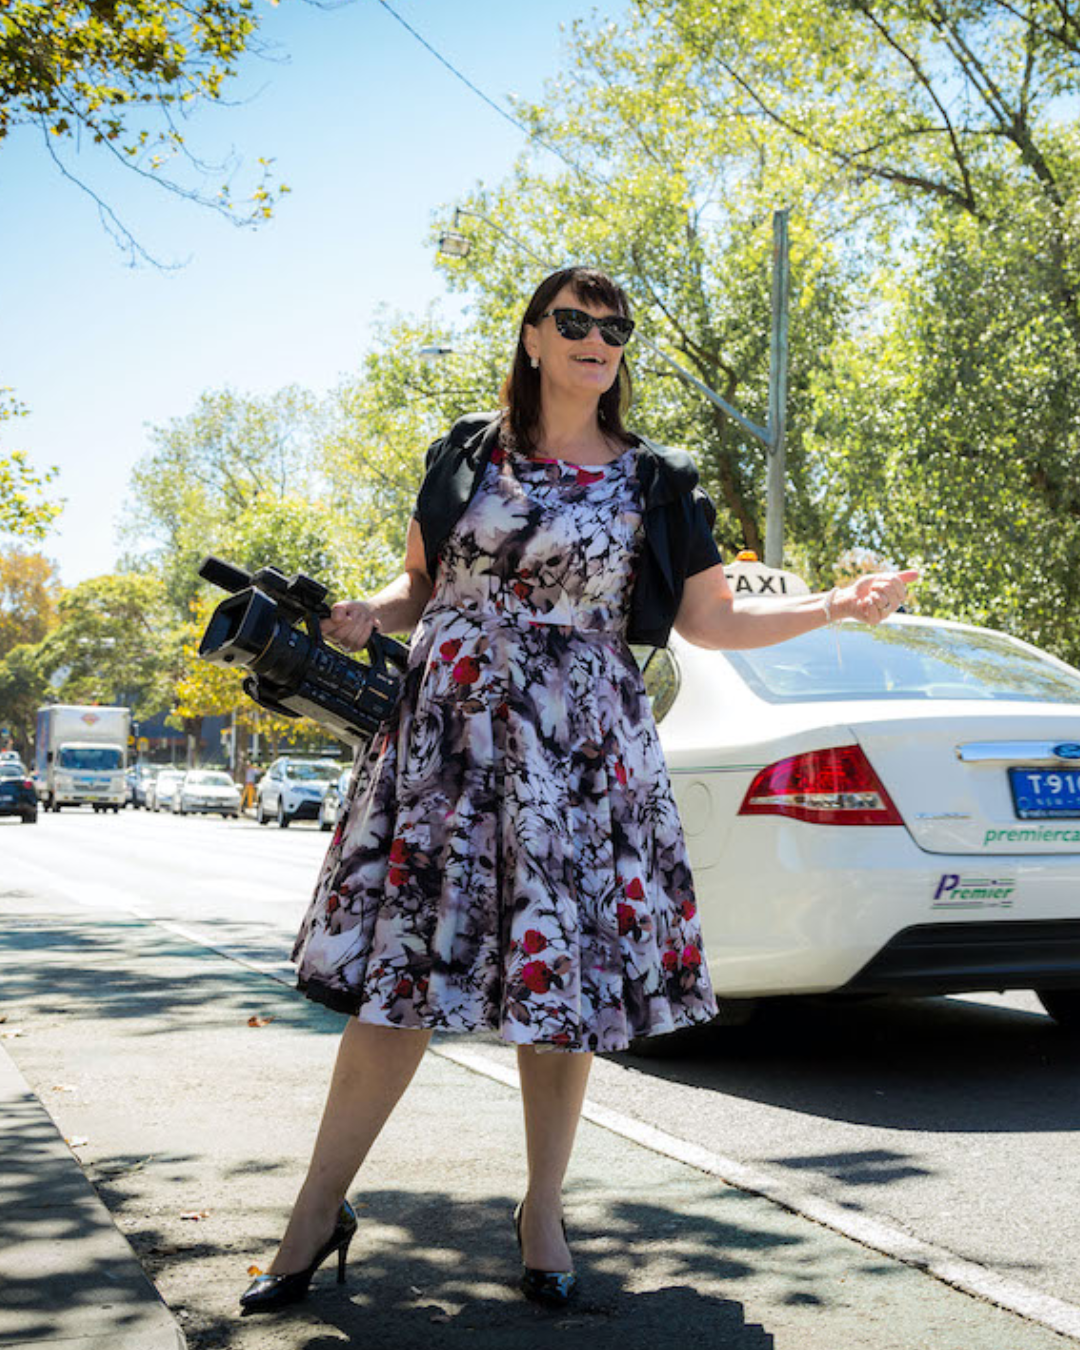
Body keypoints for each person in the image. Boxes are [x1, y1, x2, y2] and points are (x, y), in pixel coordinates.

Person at [239, 266, 916, 1315]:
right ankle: (314, 1213)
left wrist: (840, 603)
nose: (599, 339)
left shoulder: (656, 478)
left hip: (580, 756)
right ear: (533, 338)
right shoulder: (467, 451)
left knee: (559, 997)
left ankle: (543, 1210)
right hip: (447, 748)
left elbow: (712, 624)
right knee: (400, 984)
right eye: (576, 322)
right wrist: (368, 614)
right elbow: (421, 587)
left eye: (615, 327)